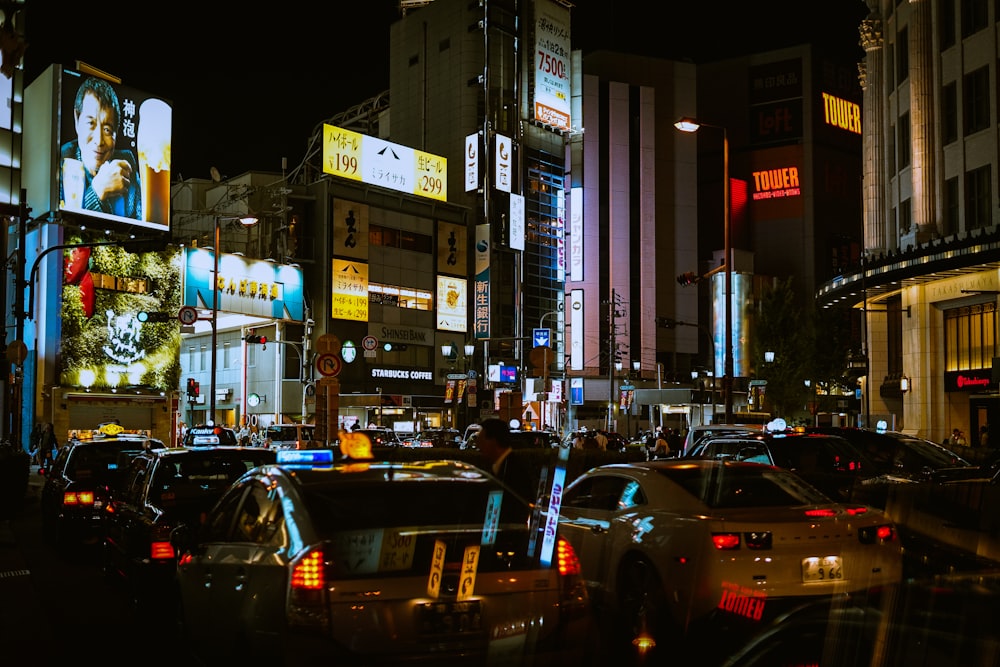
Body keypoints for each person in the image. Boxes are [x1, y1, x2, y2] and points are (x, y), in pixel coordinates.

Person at [59, 76, 141, 219]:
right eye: (91, 124)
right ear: (77, 120)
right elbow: (65, 222)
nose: (99, 140)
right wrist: (98, 191)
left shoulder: (126, 163)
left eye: (107, 130)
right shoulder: (62, 160)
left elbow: (141, 224)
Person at [476, 417, 539, 504]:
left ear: (493, 441)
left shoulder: (514, 470)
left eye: (481, 441)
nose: (478, 447)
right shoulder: (501, 465)